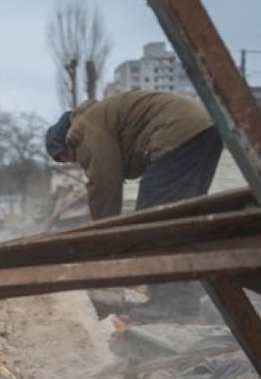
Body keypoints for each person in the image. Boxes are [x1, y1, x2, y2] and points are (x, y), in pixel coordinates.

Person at [45, 89, 222, 317]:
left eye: (70, 158)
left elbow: (104, 184)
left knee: (152, 221)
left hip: (175, 133)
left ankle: (171, 302)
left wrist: (105, 239)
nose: (77, 162)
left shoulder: (83, 128)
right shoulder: (102, 115)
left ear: (65, 142)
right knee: (184, 220)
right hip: (203, 130)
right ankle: (185, 297)